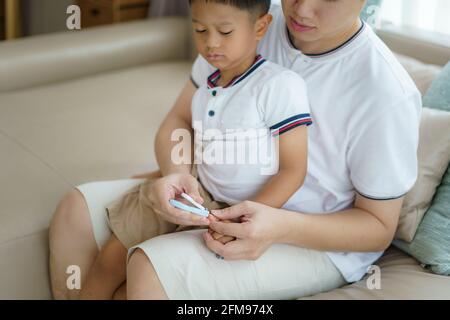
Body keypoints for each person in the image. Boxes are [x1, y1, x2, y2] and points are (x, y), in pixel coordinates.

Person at [49, 0, 421, 300]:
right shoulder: (252, 20)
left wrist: (277, 226)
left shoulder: (386, 92)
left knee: (147, 273)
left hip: (313, 237)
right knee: (74, 213)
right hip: (216, 194)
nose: (303, 10)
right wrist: (175, 172)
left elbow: (377, 228)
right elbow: (179, 120)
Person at [77, 0, 313, 300]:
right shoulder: (207, 78)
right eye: (200, 29)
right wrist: (173, 174)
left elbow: (293, 170)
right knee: (107, 262)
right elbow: (178, 129)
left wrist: (242, 220)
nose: (211, 42)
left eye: (225, 31)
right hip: (192, 194)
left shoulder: (279, 85)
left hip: (236, 211)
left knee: (139, 281)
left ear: (261, 27)